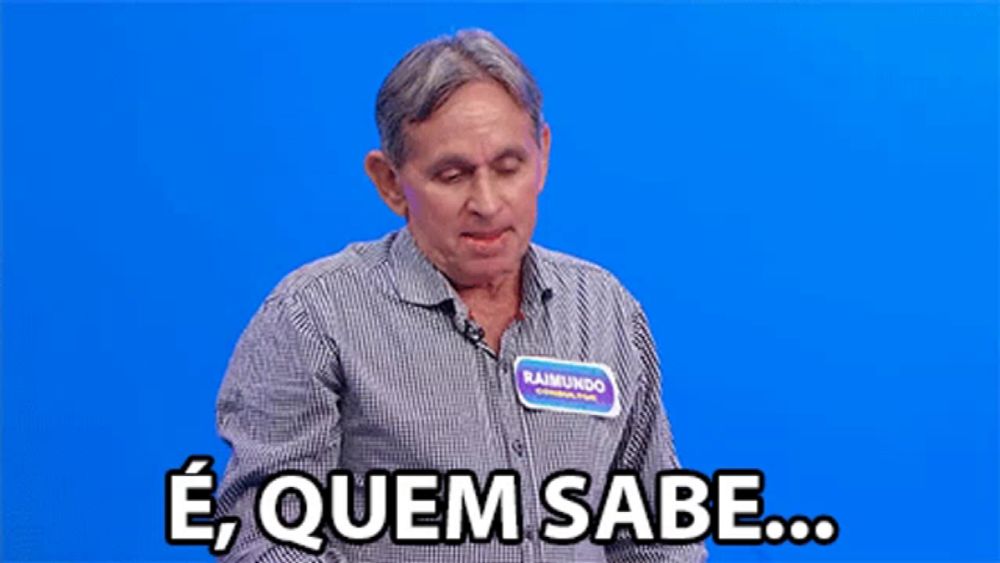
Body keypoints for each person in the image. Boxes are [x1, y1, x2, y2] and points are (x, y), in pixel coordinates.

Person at [215, 28, 707, 563]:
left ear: (542, 154)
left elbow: (657, 529)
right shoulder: (313, 319)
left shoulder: (605, 309)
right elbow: (264, 541)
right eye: (452, 175)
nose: (488, 202)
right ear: (388, 182)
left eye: (508, 167)